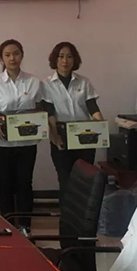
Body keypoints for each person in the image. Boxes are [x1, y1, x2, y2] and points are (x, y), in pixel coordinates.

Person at [0, 39, 43, 234]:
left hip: (27, 143)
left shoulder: (34, 82)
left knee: (25, 184)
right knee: (5, 184)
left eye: (16, 53)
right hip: (2, 142)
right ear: (1, 59)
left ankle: (25, 226)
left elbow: (39, 109)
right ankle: (7, 225)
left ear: (22, 55)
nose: (12, 58)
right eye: (8, 55)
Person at [42, 42, 104, 198]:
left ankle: (84, 214)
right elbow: (49, 112)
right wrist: (55, 136)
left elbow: (93, 108)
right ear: (55, 59)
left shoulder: (84, 82)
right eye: (61, 56)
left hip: (85, 138)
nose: (65, 61)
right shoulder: (46, 84)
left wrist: (101, 128)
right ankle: (66, 214)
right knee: (65, 181)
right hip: (61, 138)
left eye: (69, 57)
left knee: (85, 181)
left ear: (74, 59)